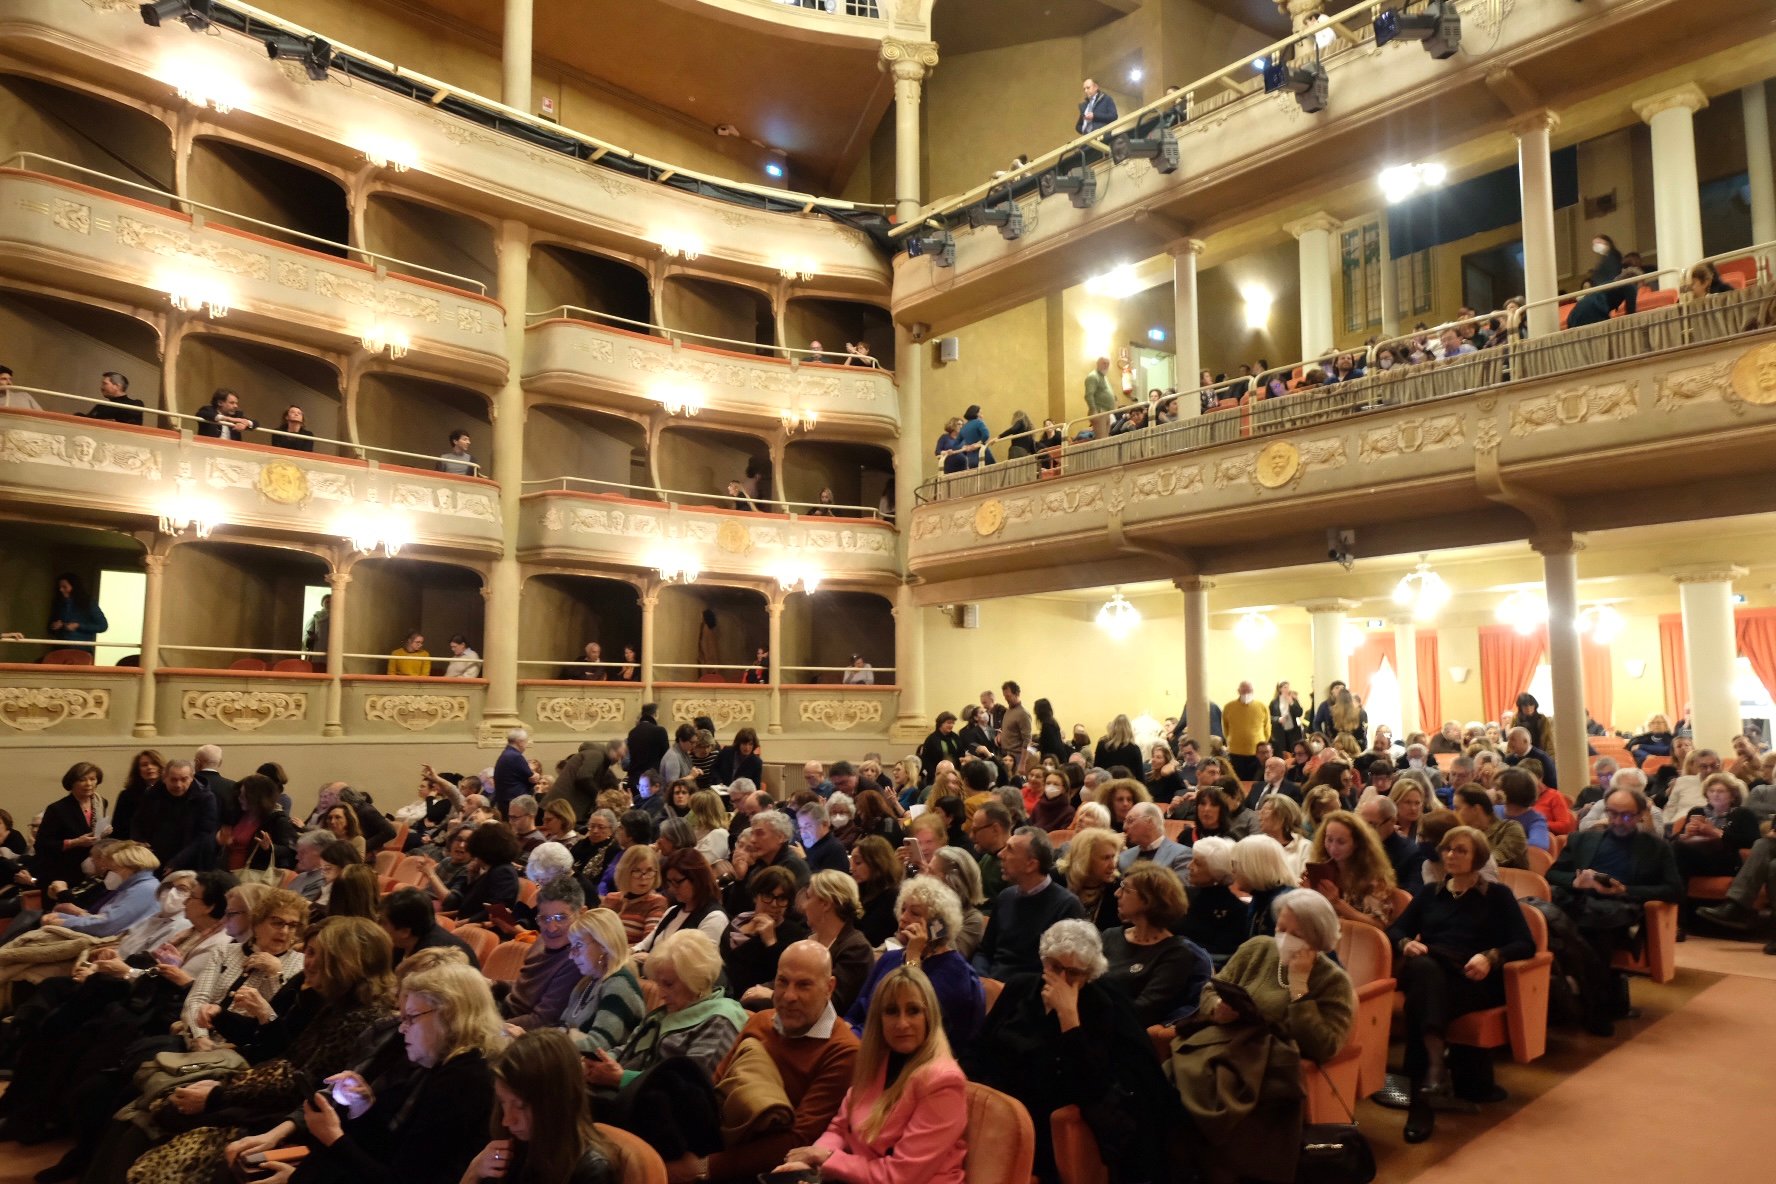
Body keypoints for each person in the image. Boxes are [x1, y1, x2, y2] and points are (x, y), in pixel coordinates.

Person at [222, 961, 502, 1184]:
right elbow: (391, 1152)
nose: (402, 1028)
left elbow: (397, 1179)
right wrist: (364, 1108)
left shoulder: (464, 1081)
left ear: (449, 1015)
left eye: (411, 1018)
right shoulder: (447, 1066)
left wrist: (333, 1137)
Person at [963, 920, 1174, 1184]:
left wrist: (1069, 1019)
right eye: (1055, 967)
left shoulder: (1102, 1006)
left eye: (1073, 973)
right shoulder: (1020, 988)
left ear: (1089, 973)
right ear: (1043, 961)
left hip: (1044, 1119)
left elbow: (1092, 1087)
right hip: (995, 1104)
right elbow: (979, 1047)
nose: (1062, 980)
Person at [1171, 891, 1356, 1183]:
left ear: (1319, 940)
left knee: (1218, 1104)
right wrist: (1218, 1008)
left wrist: (1299, 989)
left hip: (1269, 1070)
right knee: (1171, 1084)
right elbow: (1211, 988)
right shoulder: (1257, 948)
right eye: (1281, 929)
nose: (1284, 938)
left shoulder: (1333, 982)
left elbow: (1324, 1046)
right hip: (1222, 1049)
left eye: (1296, 934)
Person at [1388, 826, 1536, 1141]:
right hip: (1433, 968)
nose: (1451, 855)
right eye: (1448, 849)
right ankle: (1431, 1076)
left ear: (1478, 857)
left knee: (1420, 1000)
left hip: (1472, 979)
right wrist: (1404, 944)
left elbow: (1526, 944)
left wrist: (1491, 957)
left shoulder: (1497, 896)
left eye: (1461, 850)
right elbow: (1395, 930)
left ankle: (1423, 1094)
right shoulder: (1430, 893)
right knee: (1424, 968)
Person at [777, 964, 967, 1184]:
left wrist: (826, 1159)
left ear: (929, 1017)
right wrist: (808, 1166)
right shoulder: (877, 1061)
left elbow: (901, 1176)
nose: (902, 1023)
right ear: (879, 1019)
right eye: (891, 1011)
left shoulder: (943, 1081)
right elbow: (839, 1129)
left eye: (913, 1010)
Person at [1547, 787, 1682, 1019]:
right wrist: (1576, 882)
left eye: (1627, 816)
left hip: (1621, 909)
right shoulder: (1583, 839)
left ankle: (1593, 1004)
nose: (1618, 821)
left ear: (1641, 814)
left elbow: (1674, 891)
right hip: (1580, 901)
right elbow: (1551, 875)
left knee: (1595, 925)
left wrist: (1626, 890)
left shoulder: (1656, 847)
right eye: (1612, 814)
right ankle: (1581, 999)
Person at [465, 1028, 622, 1184]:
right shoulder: (518, 1145)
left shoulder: (590, 1171)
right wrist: (473, 1173)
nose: (507, 1120)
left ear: (555, 1103)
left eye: (520, 1106)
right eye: (503, 1102)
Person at [848, 877, 984, 1050]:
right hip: (864, 1042)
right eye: (903, 909)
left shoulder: (955, 973)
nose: (903, 918)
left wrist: (913, 956)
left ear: (937, 926)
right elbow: (857, 1010)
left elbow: (909, 1023)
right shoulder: (890, 958)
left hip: (900, 1052)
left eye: (915, 913)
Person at [1103, 861, 1212, 1026]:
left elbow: (1144, 1010)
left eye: (1125, 889)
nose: (1117, 893)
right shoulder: (1110, 935)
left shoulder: (1176, 954)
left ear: (1148, 900)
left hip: (1124, 1033)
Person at [973, 827, 1086, 979]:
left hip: (1028, 996)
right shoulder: (1005, 897)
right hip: (991, 987)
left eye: (1010, 850)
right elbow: (985, 952)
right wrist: (981, 979)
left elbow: (1060, 972)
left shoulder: (1067, 906)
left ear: (1031, 865)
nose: (1001, 854)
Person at [559, 907, 647, 1055]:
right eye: (571, 947)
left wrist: (550, 1044)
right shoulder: (587, 982)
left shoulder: (619, 984)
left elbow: (598, 1048)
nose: (571, 956)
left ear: (604, 945)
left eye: (579, 945)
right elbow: (562, 1028)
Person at [1307, 808, 1398, 929]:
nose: (1333, 848)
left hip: (1359, 942)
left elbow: (1379, 925)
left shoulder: (1374, 876)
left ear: (1357, 844)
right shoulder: (1322, 869)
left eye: (1341, 842)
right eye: (1329, 839)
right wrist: (1307, 895)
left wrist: (1337, 903)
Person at [601, 844, 667, 946]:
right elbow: (595, 933)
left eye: (649, 871)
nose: (643, 877)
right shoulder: (611, 898)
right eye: (637, 871)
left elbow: (646, 945)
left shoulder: (657, 902)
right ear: (624, 872)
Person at [1062, 826, 1123, 930]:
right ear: (1085, 859)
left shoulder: (1118, 889)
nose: (1113, 865)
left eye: (1113, 857)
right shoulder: (1058, 880)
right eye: (1106, 858)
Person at [46, 572, 107, 649]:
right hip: (60, 647)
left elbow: (103, 626)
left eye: (64, 587)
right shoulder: (58, 603)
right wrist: (54, 625)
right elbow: (49, 626)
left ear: (74, 587)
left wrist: (79, 626)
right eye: (60, 587)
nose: (61, 590)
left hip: (81, 649)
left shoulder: (88, 603)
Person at [1222, 681, 1268, 780]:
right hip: (1235, 752)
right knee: (1238, 779)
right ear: (1238, 691)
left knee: (1256, 779)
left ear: (1253, 691)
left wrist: (1263, 745)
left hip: (1256, 753)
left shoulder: (1262, 706)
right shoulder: (1229, 707)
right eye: (1243, 690)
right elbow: (1225, 729)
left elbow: (1267, 728)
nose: (1246, 693)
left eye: (1249, 690)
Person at [1083, 356, 1115, 439]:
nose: (1106, 365)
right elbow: (1088, 395)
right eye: (1104, 363)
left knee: (1105, 439)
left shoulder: (1104, 377)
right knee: (1101, 440)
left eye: (1108, 363)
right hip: (1099, 411)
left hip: (1106, 412)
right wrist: (1094, 410)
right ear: (1098, 364)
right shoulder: (1093, 376)